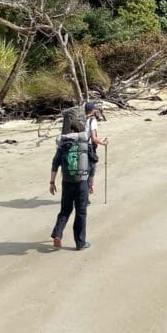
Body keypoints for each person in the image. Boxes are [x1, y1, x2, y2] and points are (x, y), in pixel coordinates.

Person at [49, 120, 91, 250]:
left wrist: (52, 182)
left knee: (65, 210)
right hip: (82, 182)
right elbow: (93, 163)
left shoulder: (63, 144)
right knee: (81, 212)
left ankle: (57, 234)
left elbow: (55, 163)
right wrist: (92, 183)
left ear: (71, 130)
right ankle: (80, 243)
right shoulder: (85, 144)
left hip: (67, 181)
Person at [83, 101, 108, 195]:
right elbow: (93, 138)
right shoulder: (92, 121)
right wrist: (103, 143)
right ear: (92, 110)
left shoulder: (82, 119)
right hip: (89, 148)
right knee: (91, 168)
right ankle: (90, 187)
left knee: (83, 170)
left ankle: (82, 191)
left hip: (80, 146)